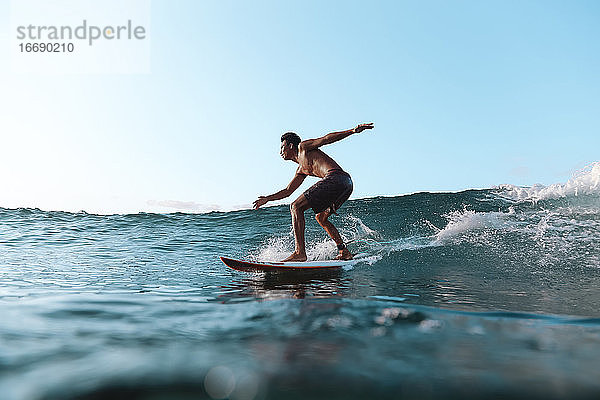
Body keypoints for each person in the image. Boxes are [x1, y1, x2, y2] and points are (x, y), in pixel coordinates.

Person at [253, 123, 374, 261]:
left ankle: (300, 253)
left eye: (282, 147)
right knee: (321, 218)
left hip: (336, 178)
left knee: (295, 206)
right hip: (346, 184)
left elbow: (326, 139)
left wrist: (352, 131)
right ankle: (344, 251)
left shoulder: (303, 147)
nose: (280, 151)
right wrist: (268, 199)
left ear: (291, 146)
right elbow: (287, 191)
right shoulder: (301, 169)